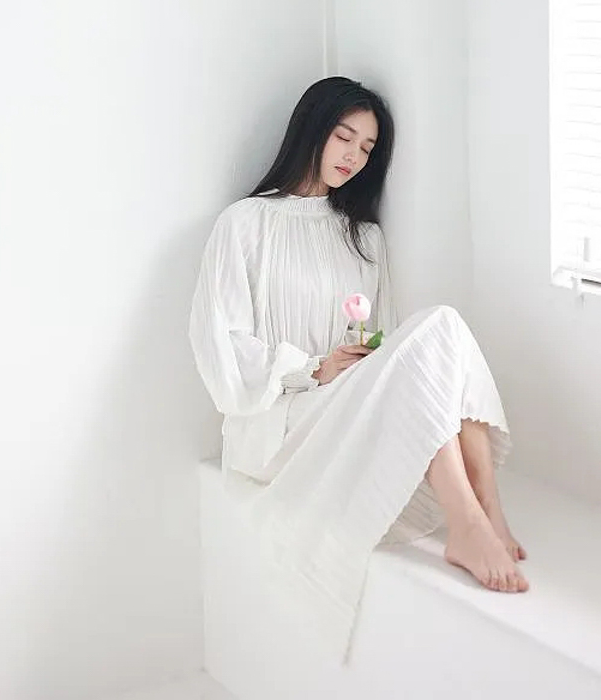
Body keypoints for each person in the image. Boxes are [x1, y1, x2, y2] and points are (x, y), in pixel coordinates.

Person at [190, 76, 527, 656]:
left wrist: (360, 359)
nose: (354, 156)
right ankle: (468, 522)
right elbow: (222, 349)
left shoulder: (364, 238)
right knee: (436, 333)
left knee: (443, 326)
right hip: (278, 423)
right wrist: (314, 369)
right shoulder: (244, 223)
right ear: (312, 129)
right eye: (344, 137)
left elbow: (386, 343)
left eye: (368, 148)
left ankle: (486, 509)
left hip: (345, 404)